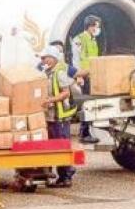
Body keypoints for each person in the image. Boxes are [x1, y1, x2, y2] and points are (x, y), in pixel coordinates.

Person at [39, 45, 77, 187]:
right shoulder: (45, 73)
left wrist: (51, 100)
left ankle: (66, 176)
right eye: (44, 58)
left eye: (48, 58)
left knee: (62, 146)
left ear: (55, 58)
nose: (45, 61)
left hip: (60, 117)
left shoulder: (59, 73)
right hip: (49, 116)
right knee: (51, 146)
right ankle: (51, 174)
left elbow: (66, 92)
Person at [71, 15, 102, 144]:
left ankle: (88, 131)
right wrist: (78, 76)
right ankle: (84, 133)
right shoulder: (79, 39)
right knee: (86, 104)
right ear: (89, 26)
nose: (97, 29)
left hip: (92, 75)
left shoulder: (93, 40)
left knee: (92, 103)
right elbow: (76, 59)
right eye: (95, 26)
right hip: (83, 76)